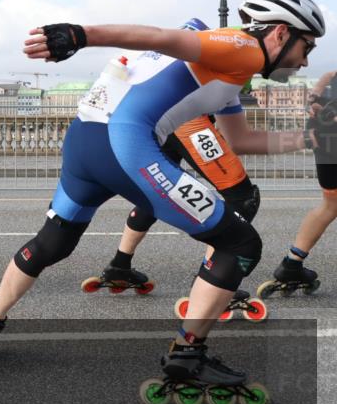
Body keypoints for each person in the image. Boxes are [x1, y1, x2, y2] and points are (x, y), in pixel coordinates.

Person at [0, 0, 324, 404]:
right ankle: (188, 356)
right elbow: (160, 37)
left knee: (54, 240)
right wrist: (79, 34)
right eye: (307, 45)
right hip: (125, 145)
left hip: (84, 143)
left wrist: (312, 137)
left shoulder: (230, 68)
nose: (305, 59)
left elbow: (242, 139)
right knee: (239, 242)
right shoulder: (243, 47)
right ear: (280, 32)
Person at [88, 17, 320, 320]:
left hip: (163, 118)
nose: (302, 62)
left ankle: (120, 264)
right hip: (189, 123)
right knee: (242, 197)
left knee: (154, 194)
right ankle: (213, 283)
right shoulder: (243, 49)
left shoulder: (233, 42)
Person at [259, 69, 336, 298]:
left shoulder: (331, 75)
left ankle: (292, 264)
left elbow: (320, 88)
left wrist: (315, 104)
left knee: (330, 205)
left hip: (324, 141)